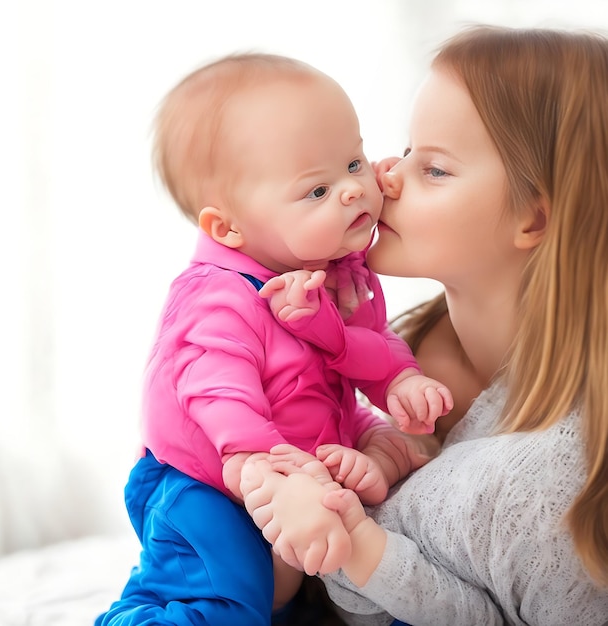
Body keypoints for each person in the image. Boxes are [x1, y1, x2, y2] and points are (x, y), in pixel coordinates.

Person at [240, 25, 608, 625]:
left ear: (534, 218)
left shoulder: (567, 448)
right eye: (406, 150)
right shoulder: (396, 355)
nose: (384, 175)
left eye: (433, 168)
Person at [95, 52, 452, 626]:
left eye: (355, 161)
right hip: (209, 483)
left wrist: (398, 380)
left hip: (298, 474)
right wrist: (263, 471)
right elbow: (214, 390)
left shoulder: (342, 273)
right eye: (316, 190)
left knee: (359, 572)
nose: (355, 190)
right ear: (228, 227)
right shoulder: (217, 295)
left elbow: (359, 348)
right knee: (226, 602)